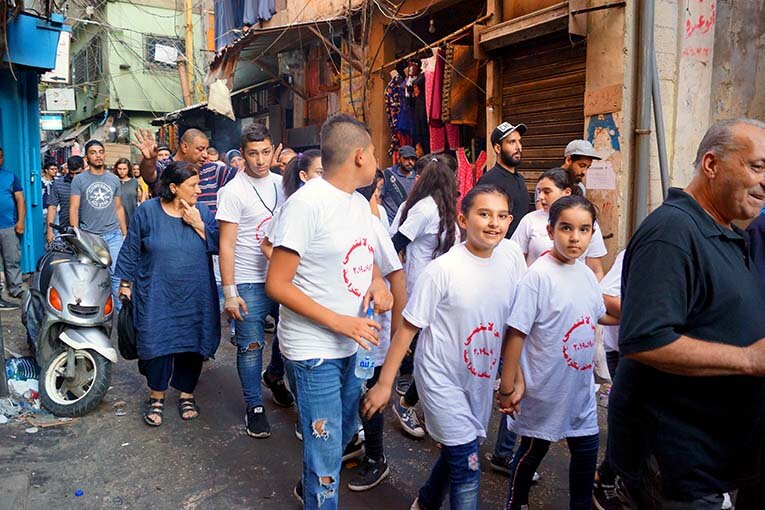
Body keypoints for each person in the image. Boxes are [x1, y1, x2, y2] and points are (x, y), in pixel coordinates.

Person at [608, 118, 765, 508]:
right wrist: (748, 359)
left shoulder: (725, 231)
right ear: (711, 165)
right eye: (757, 166)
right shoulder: (673, 232)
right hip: (675, 466)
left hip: (709, 461)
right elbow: (646, 340)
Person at [363, 184, 528, 509]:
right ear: (463, 220)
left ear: (510, 220)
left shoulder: (509, 262)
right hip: (440, 380)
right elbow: (408, 329)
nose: (493, 223)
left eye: (500, 216)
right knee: (467, 466)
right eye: (484, 214)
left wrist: (515, 380)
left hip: (476, 380)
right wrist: (385, 385)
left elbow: (511, 328)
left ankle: (426, 502)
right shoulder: (442, 270)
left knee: (460, 448)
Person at [265, 113, 393, 509]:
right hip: (313, 350)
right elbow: (277, 284)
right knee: (325, 451)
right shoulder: (306, 205)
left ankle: (312, 485)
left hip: (354, 345)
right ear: (359, 156)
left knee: (340, 433)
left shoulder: (358, 204)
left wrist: (376, 281)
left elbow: (363, 255)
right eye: (373, 151)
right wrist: (340, 322)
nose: (376, 159)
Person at [499, 195, 617, 510]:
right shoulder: (538, 277)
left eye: (583, 229)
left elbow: (597, 312)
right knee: (533, 450)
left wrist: (637, 316)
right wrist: (508, 387)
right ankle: (516, 501)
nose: (575, 237)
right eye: (566, 228)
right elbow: (515, 333)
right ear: (551, 231)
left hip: (578, 390)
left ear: (593, 234)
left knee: (587, 451)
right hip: (543, 390)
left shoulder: (586, 275)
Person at [115, 161, 220, 427]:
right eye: (193, 186)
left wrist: (198, 224)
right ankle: (157, 396)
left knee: (192, 342)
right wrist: (125, 283)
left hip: (196, 293)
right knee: (156, 342)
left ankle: (187, 394)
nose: (198, 190)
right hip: (157, 292)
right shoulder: (148, 211)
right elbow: (131, 248)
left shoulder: (203, 212)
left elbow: (220, 245)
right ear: (173, 187)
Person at [217, 124, 294, 439]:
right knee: (250, 347)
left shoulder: (284, 184)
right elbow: (227, 245)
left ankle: (274, 376)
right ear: (243, 154)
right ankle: (254, 407)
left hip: (285, 277)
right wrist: (230, 293)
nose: (260, 160)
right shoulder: (233, 191)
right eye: (253, 154)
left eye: (265, 152)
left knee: (291, 340)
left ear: (273, 150)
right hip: (249, 280)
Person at [389, 157, 460, 439]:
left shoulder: (447, 209)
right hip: (419, 289)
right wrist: (394, 283)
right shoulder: (424, 208)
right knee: (427, 351)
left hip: (442, 289)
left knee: (436, 351)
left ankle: (416, 402)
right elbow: (396, 243)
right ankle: (406, 401)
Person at [347, 176, 406, 493]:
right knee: (352, 392)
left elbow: (397, 276)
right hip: (346, 331)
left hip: (372, 334)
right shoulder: (340, 221)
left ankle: (376, 457)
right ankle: (351, 444)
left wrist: (397, 334)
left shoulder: (372, 225)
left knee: (371, 394)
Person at [512, 168, 607, 280]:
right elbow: (515, 261)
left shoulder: (587, 222)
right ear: (550, 231)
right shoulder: (530, 220)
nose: (540, 197)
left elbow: (596, 270)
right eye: (539, 191)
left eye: (547, 191)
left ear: (566, 192)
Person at [70, 140, 128, 307]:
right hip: (90, 237)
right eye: (93, 152)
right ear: (86, 157)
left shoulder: (114, 179)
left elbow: (118, 208)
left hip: (114, 235)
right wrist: (76, 236)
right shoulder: (79, 180)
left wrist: (124, 233)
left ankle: (122, 319)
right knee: (90, 278)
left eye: (101, 152)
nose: (98, 155)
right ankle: (93, 315)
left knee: (118, 276)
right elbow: (74, 208)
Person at [592, 250, 624, 510]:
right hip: (627, 349)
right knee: (630, 422)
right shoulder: (647, 248)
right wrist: (642, 316)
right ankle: (604, 479)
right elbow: (603, 295)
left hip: (658, 351)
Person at [476, 122, 529, 238]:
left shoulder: (520, 179)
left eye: (519, 141)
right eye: (512, 142)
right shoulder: (488, 181)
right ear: (498, 148)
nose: (518, 147)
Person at [133, 128, 210, 196]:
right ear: (185, 147)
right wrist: (149, 160)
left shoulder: (211, 169)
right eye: (200, 149)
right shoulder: (164, 167)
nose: (205, 155)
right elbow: (149, 174)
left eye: (207, 149)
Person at [0, 147, 25, 310]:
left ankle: (16, 288)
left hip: (8, 225)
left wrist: (20, 222)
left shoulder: (10, 176)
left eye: (0, 156)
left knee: (12, 259)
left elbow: (20, 200)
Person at [46, 155, 84, 243]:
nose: (74, 177)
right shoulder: (58, 183)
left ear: (83, 169)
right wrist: (50, 231)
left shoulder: (89, 183)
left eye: (77, 173)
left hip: (88, 229)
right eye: (72, 173)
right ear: (67, 169)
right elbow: (52, 207)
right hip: (67, 229)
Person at [380, 145, 418, 223]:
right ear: (399, 158)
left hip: (408, 226)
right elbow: (378, 197)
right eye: (406, 158)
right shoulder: (387, 174)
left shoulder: (417, 178)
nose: (410, 162)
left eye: (413, 159)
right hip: (390, 225)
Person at [112, 158, 141, 227]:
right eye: (119, 169)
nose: (122, 171)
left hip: (132, 218)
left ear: (128, 169)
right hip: (116, 220)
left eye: (124, 169)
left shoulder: (134, 182)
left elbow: (138, 198)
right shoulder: (113, 182)